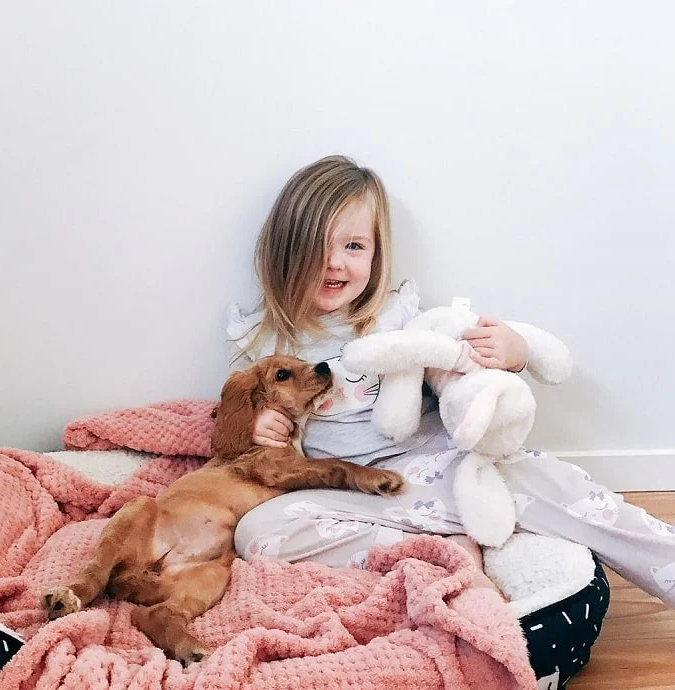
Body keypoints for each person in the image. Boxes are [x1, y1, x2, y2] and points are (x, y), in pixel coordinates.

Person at [226, 155, 675, 607]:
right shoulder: (265, 341)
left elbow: (456, 360)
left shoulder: (393, 318)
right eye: (317, 246)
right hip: (346, 489)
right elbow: (232, 426)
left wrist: (513, 353)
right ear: (284, 250)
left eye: (354, 247)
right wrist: (259, 426)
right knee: (257, 533)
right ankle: (442, 550)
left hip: (436, 467)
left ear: (376, 255)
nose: (335, 263)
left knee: (551, 483)